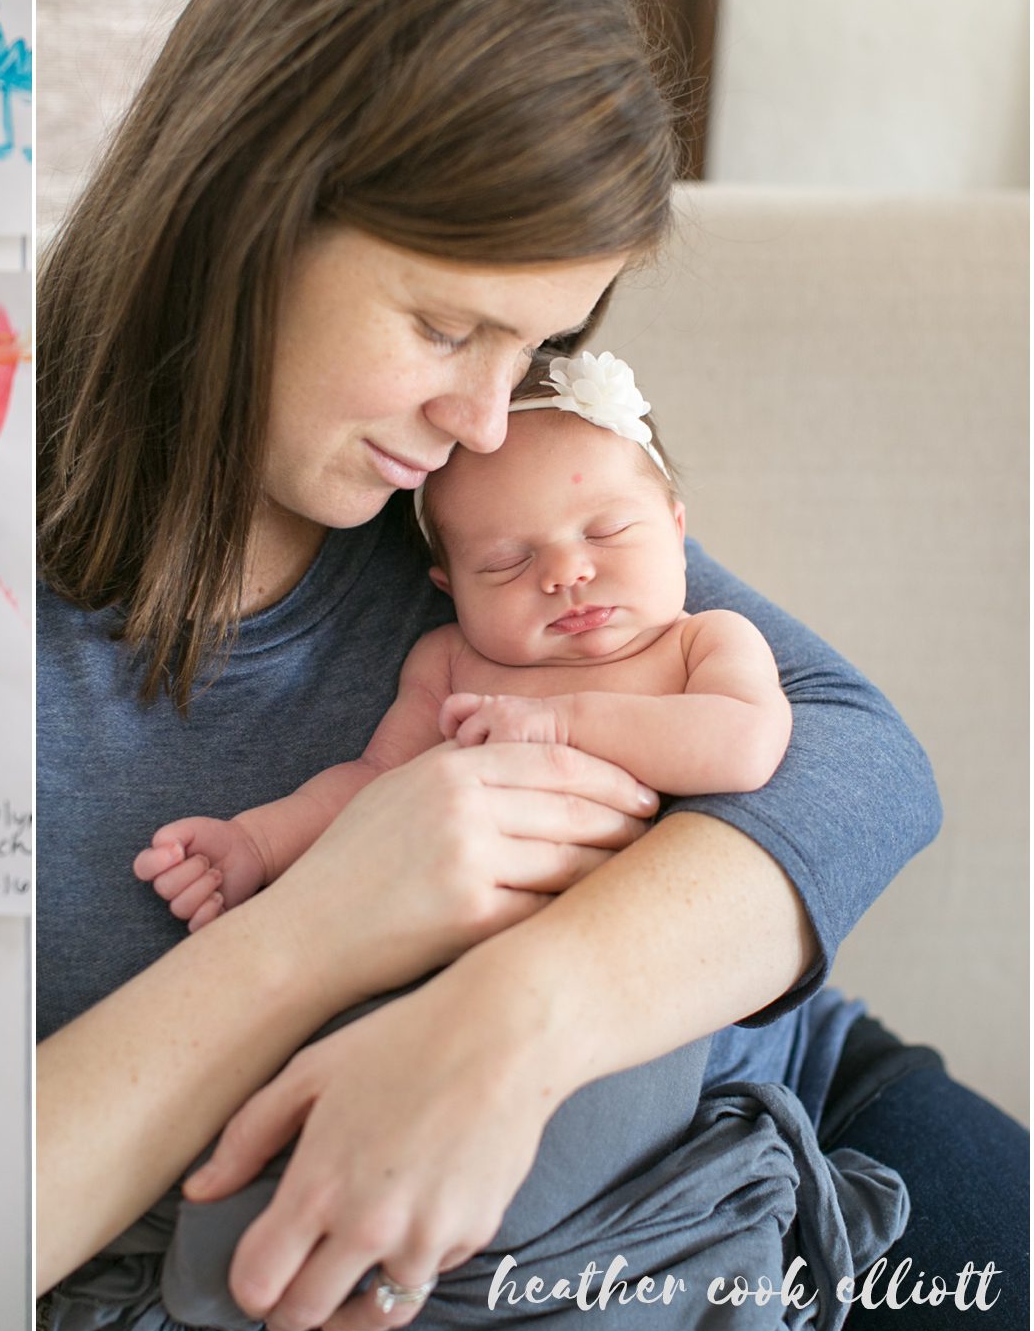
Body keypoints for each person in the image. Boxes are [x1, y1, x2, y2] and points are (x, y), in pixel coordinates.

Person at [35, 0, 1026, 1331]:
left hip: (778, 1116)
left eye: (538, 345)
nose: (483, 422)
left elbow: (859, 757)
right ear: (246, 204)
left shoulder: (464, 513)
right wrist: (320, 927)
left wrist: (509, 1024)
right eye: (445, 325)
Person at [136, 354, 792, 932]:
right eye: (506, 562)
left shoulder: (702, 643)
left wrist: (559, 724)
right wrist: (257, 842)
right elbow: (374, 783)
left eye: (608, 531)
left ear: (677, 531)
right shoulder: (451, 662)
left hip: (643, 954)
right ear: (450, 588)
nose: (565, 573)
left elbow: (745, 745)